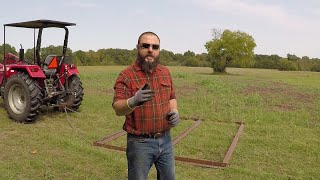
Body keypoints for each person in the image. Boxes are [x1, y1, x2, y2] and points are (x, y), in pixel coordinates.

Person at [112, 31, 179, 180]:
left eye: (155, 46)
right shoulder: (126, 75)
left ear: (158, 50)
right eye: (146, 45)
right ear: (138, 47)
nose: (150, 49)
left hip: (166, 140)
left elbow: (172, 97)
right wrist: (133, 101)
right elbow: (117, 108)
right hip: (140, 143)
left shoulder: (165, 72)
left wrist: (174, 111)